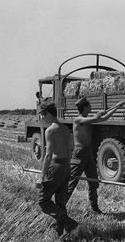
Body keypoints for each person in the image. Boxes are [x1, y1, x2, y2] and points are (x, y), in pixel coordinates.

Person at [65, 97, 121, 214]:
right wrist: (98, 114)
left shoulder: (86, 119)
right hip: (79, 153)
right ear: (85, 107)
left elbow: (104, 118)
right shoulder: (78, 120)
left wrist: (116, 107)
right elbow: (97, 117)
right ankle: (59, 208)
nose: (91, 107)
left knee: (93, 181)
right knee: (72, 181)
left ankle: (95, 208)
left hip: (88, 152)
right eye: (89, 105)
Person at [37, 102, 78, 239]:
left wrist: (42, 175)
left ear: (47, 114)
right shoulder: (65, 129)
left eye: (42, 115)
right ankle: (62, 234)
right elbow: (70, 150)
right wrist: (66, 168)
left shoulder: (50, 130)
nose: (41, 119)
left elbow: (48, 155)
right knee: (60, 203)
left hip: (55, 167)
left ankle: (68, 222)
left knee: (43, 201)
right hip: (66, 167)